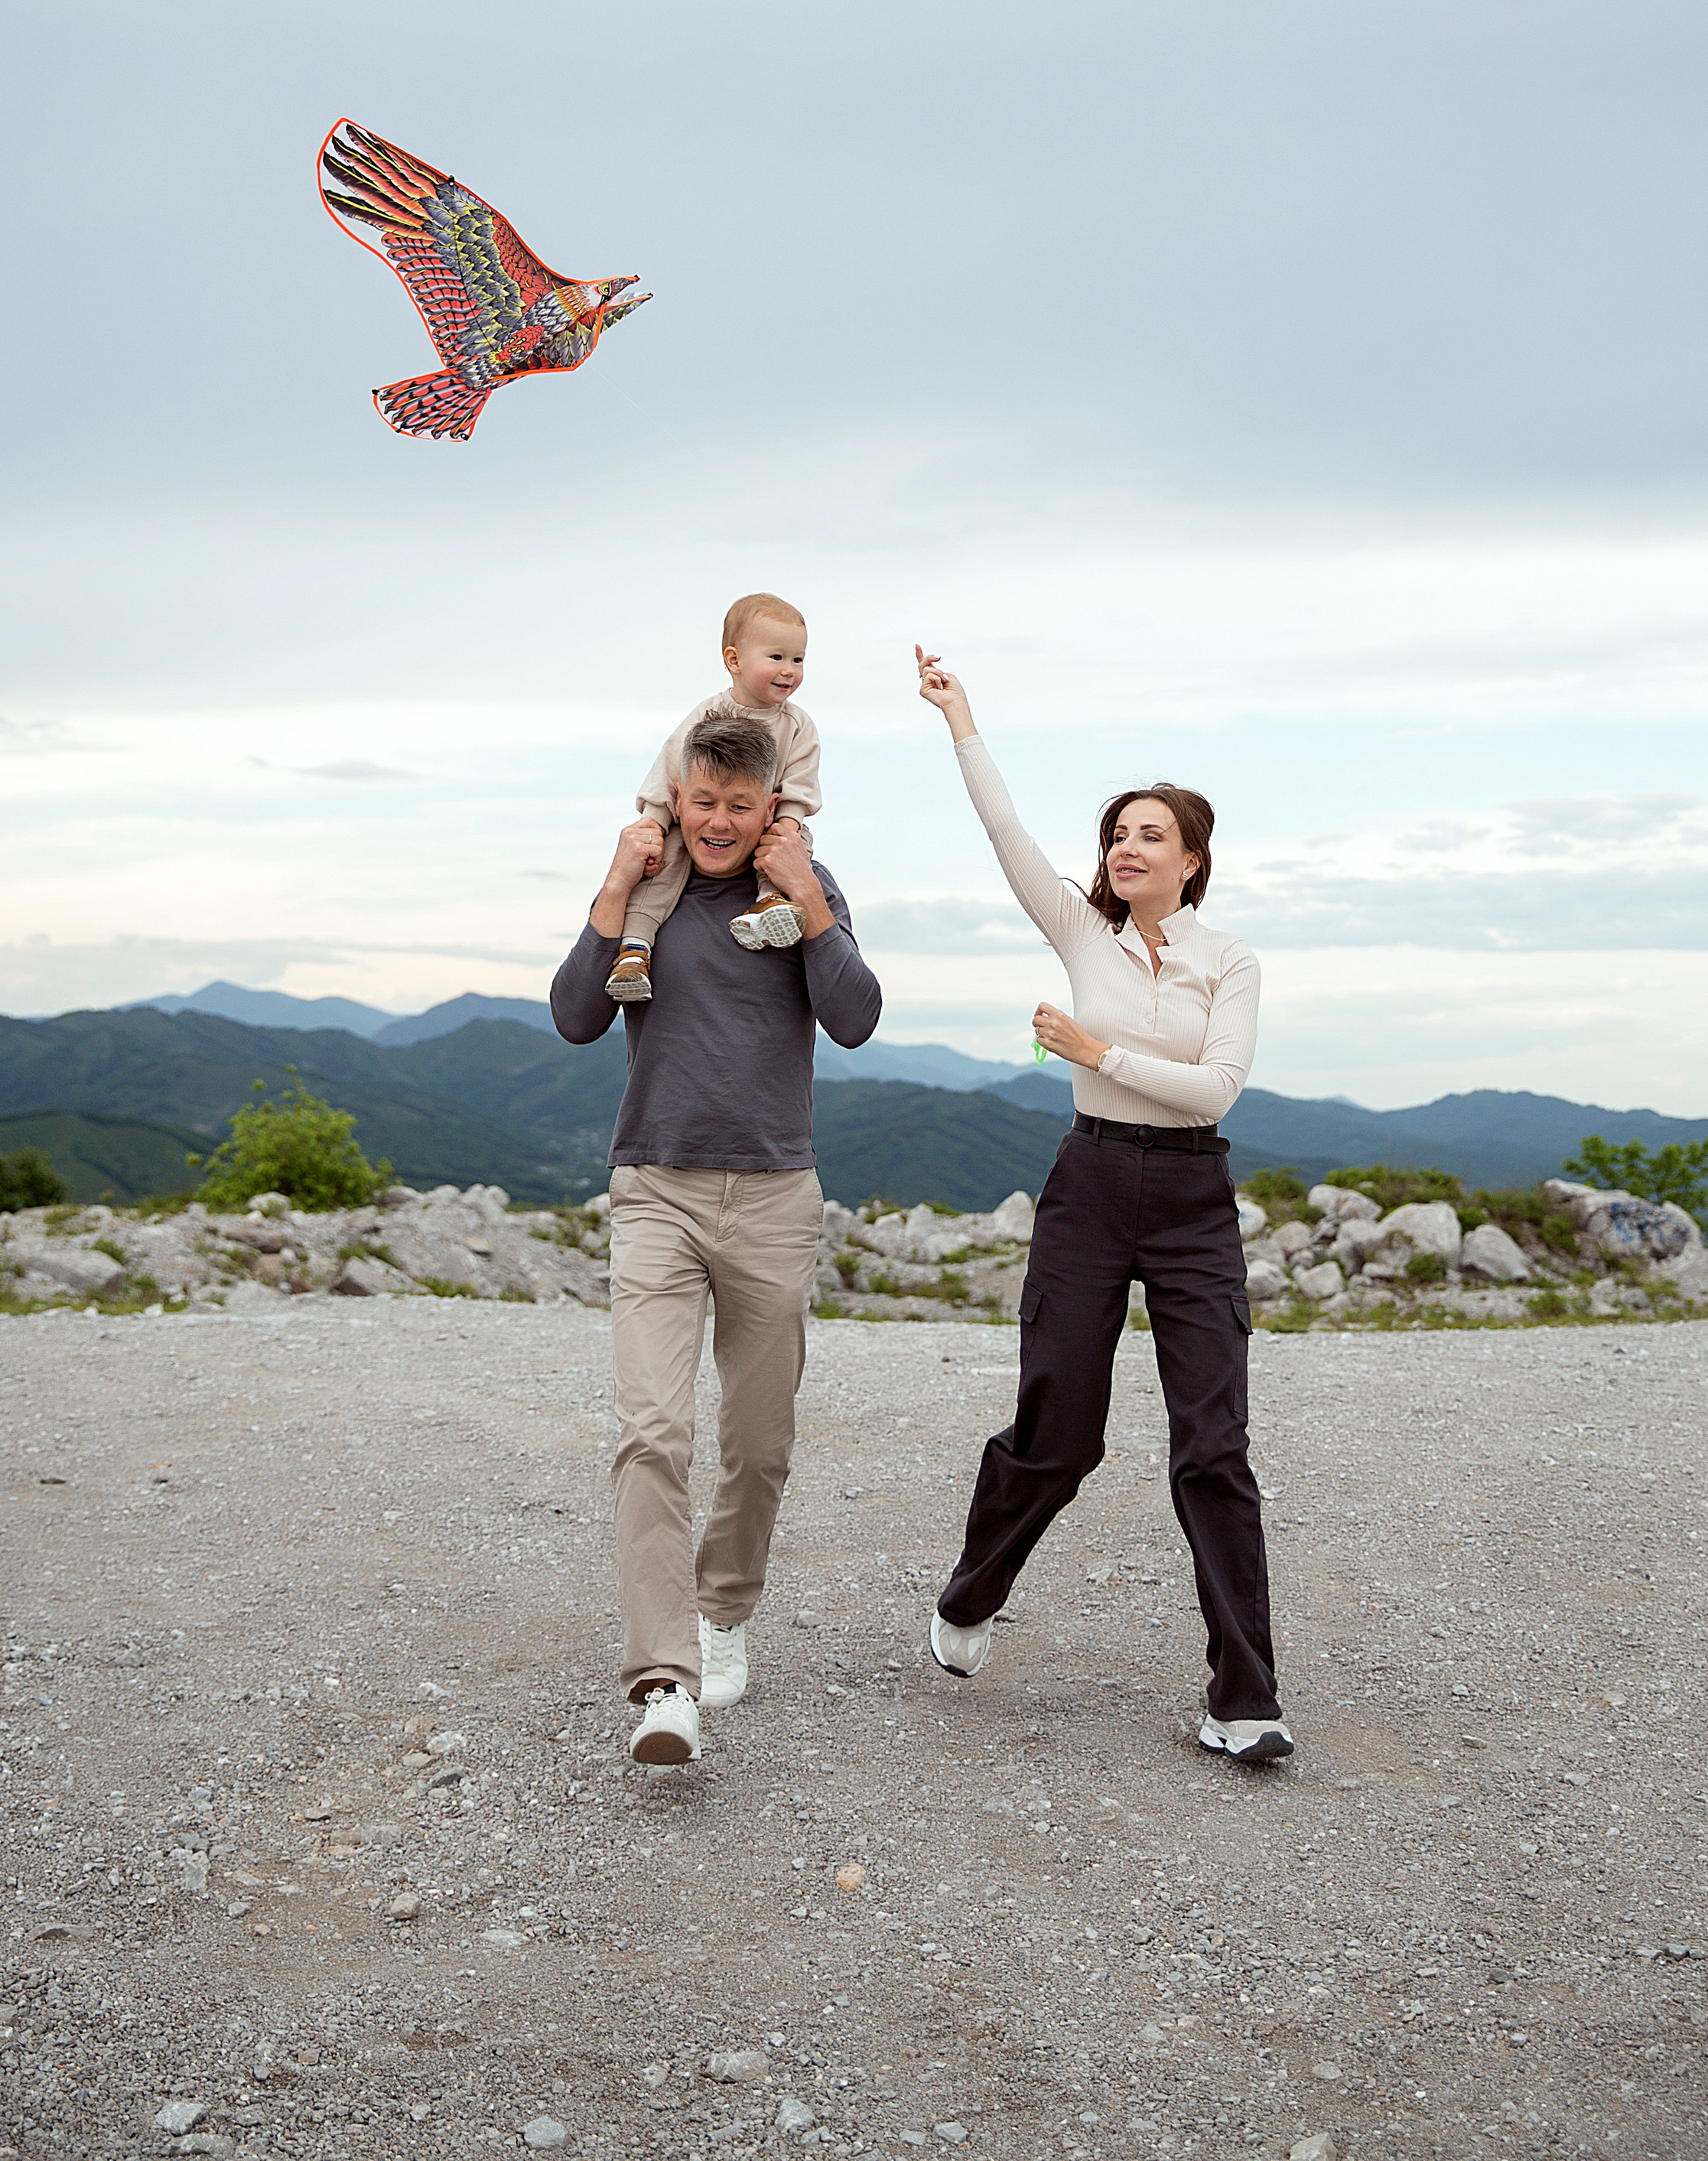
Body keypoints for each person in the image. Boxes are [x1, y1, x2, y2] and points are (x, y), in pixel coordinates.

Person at [913, 648, 1290, 1763]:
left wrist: (1094, 1047)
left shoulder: (1232, 960)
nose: (1127, 848)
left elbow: (1218, 1088)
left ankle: (1246, 1699)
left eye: (1150, 835)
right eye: (1117, 834)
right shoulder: (1083, 931)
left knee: (1212, 1449)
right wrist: (960, 720)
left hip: (1192, 1197)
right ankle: (973, 1595)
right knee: (1060, 1434)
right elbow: (1004, 831)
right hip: (1087, 1190)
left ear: (1194, 860)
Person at [551, 711, 882, 1766]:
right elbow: (573, 1017)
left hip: (777, 1196)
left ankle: (724, 1609)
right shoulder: (651, 902)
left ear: (773, 805)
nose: (721, 823)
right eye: (705, 803)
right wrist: (611, 888)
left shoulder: (796, 897)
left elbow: (858, 1016)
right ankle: (664, 1677)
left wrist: (816, 903)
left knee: (759, 1438)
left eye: (743, 805)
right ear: (677, 800)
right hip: (655, 1189)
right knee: (652, 1432)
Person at [606, 591, 821, 1001]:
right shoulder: (709, 714)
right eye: (776, 657)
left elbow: (801, 780)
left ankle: (769, 902)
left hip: (766, 822)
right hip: (695, 826)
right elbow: (671, 763)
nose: (789, 671)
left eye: (798, 659)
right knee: (662, 864)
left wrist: (788, 823)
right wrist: (653, 819)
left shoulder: (797, 725)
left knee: (792, 847)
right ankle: (634, 949)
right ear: (734, 660)